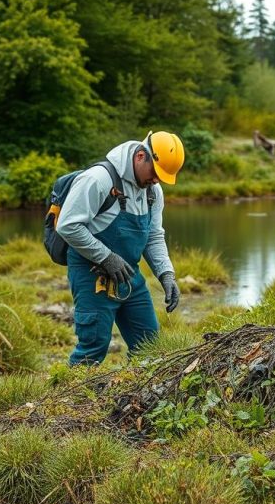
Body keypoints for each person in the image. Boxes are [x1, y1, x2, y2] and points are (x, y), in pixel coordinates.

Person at [56, 132, 185, 364]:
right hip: (91, 274)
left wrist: (166, 274)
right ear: (140, 156)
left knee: (149, 346)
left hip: (128, 274)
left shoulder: (153, 191)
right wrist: (106, 257)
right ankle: (60, 400)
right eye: (155, 173)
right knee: (92, 348)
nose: (156, 180)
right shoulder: (98, 179)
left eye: (161, 177)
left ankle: (138, 397)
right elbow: (68, 226)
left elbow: (154, 236)